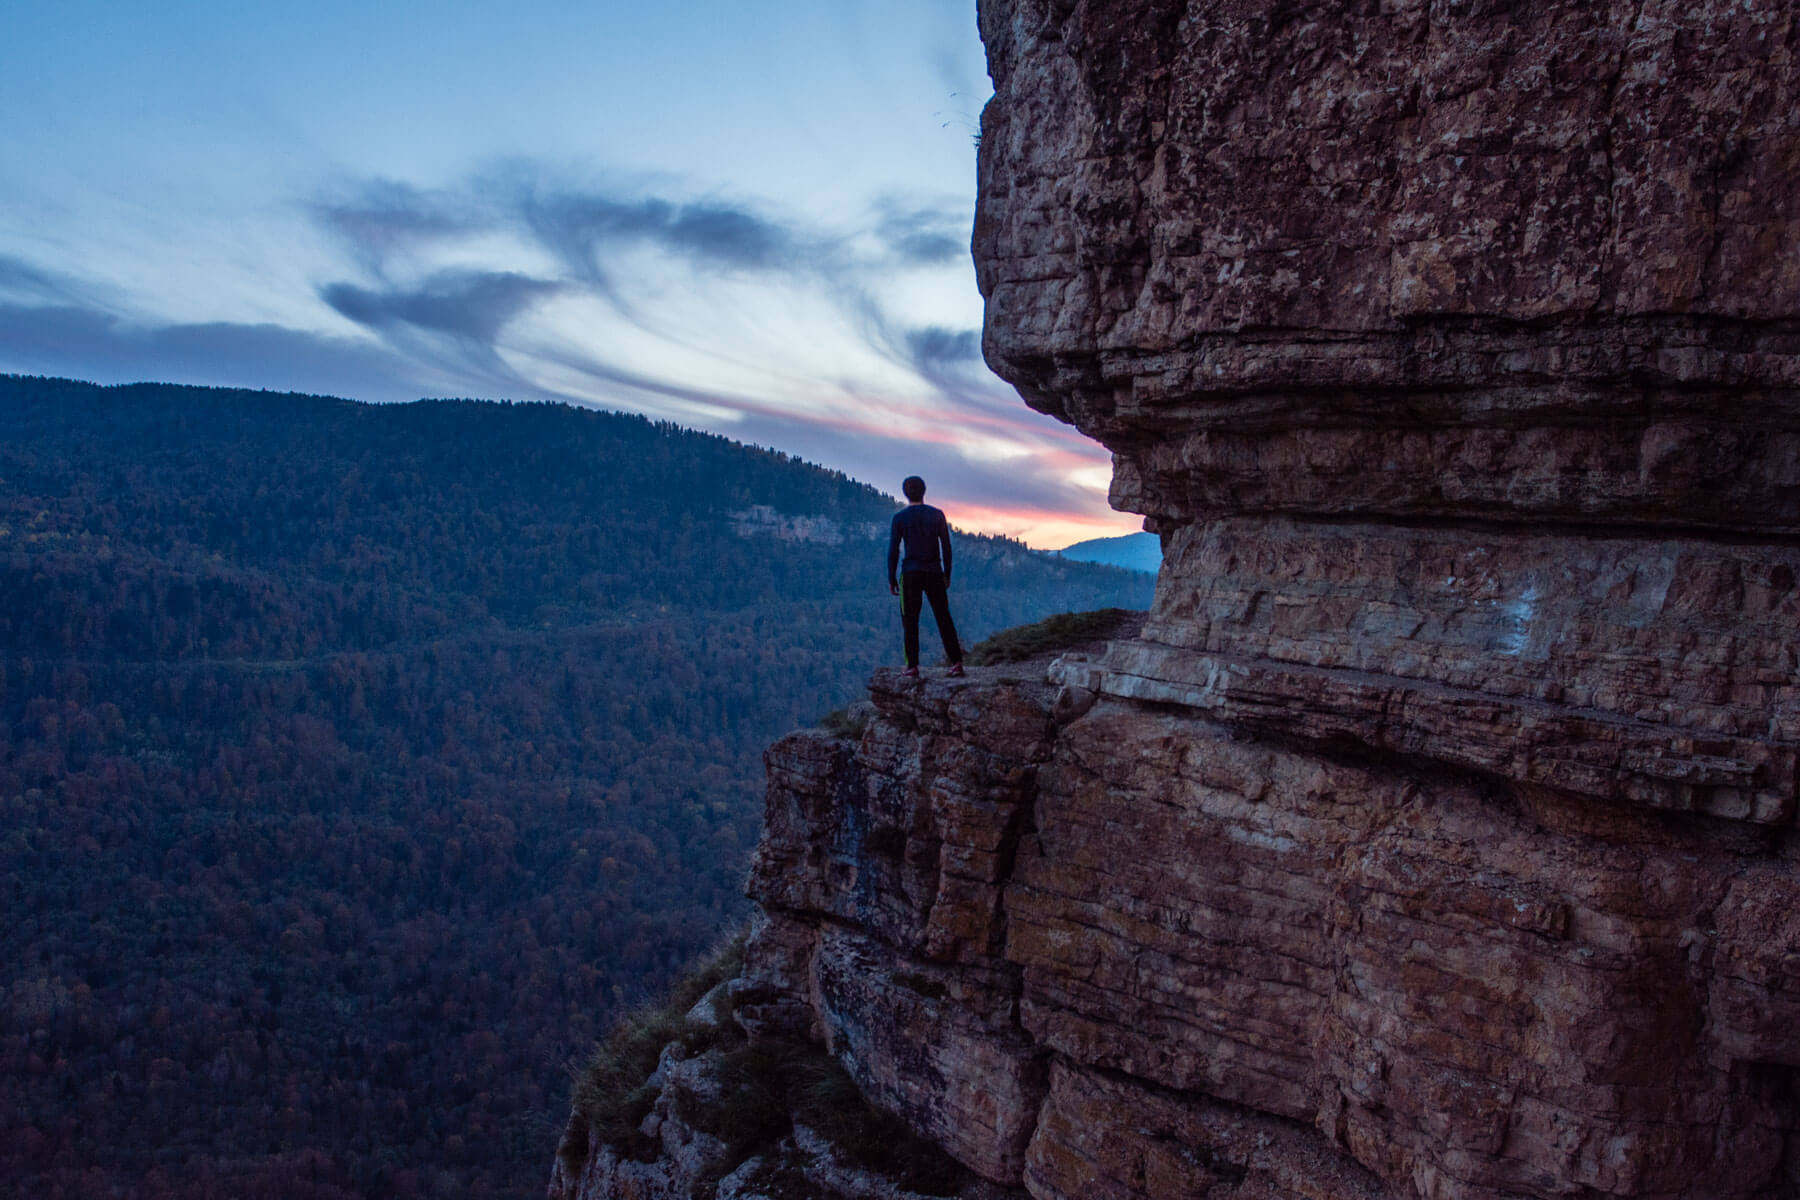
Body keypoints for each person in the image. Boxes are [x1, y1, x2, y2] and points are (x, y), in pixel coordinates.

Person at [887, 475, 965, 678]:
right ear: (924, 491)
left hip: (910, 573)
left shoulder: (900, 519)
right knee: (943, 617)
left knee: (910, 620)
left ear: (905, 493)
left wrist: (891, 578)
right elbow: (946, 547)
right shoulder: (937, 515)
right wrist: (947, 574)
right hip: (934, 572)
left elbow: (893, 550)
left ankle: (912, 666)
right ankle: (956, 662)